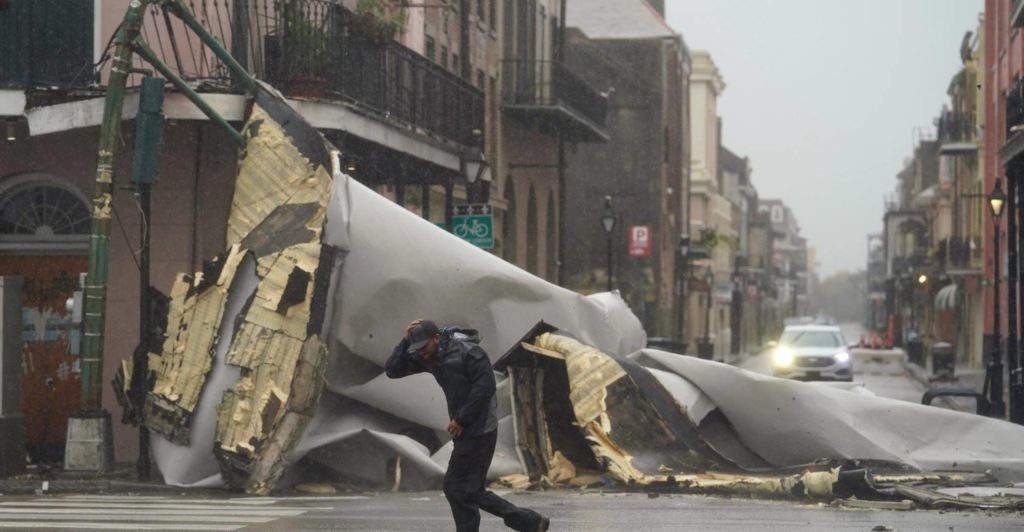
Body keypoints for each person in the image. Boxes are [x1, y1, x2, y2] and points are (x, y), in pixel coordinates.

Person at [386, 319, 550, 532]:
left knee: (462, 488)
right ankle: (529, 522)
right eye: (418, 350)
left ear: (437, 338)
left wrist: (461, 418)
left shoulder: (469, 353)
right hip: (464, 431)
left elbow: (485, 388)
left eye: (423, 347)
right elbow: (392, 370)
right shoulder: (430, 356)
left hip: (482, 429)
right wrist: (405, 341)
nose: (422, 354)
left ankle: (528, 521)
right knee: (462, 489)